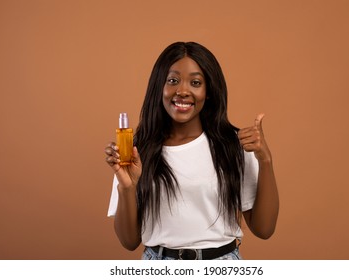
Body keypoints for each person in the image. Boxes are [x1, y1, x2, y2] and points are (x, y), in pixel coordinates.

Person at [104, 41, 279, 260]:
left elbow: (264, 229)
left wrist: (265, 160)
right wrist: (127, 187)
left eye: (195, 82)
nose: (183, 91)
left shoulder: (232, 145)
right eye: (173, 80)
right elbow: (129, 241)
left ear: (209, 92)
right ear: (159, 87)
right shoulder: (136, 151)